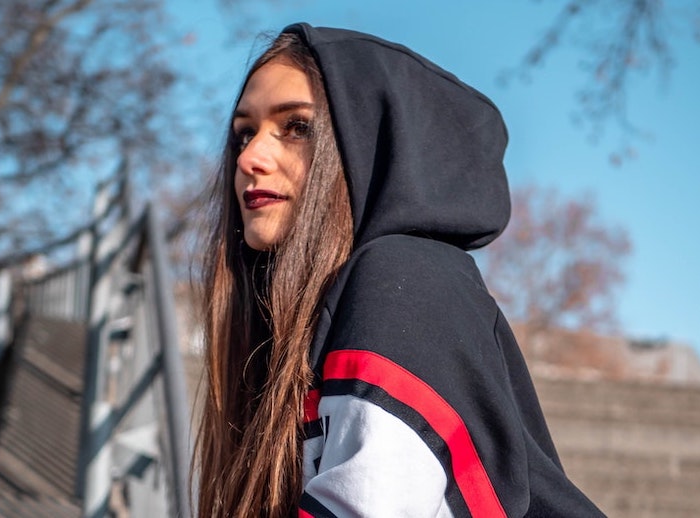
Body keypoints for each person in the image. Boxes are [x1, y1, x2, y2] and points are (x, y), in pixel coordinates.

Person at [195, 22, 604, 518]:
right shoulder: (295, 330)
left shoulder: (405, 280)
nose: (251, 157)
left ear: (369, 145)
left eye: (297, 127)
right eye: (244, 133)